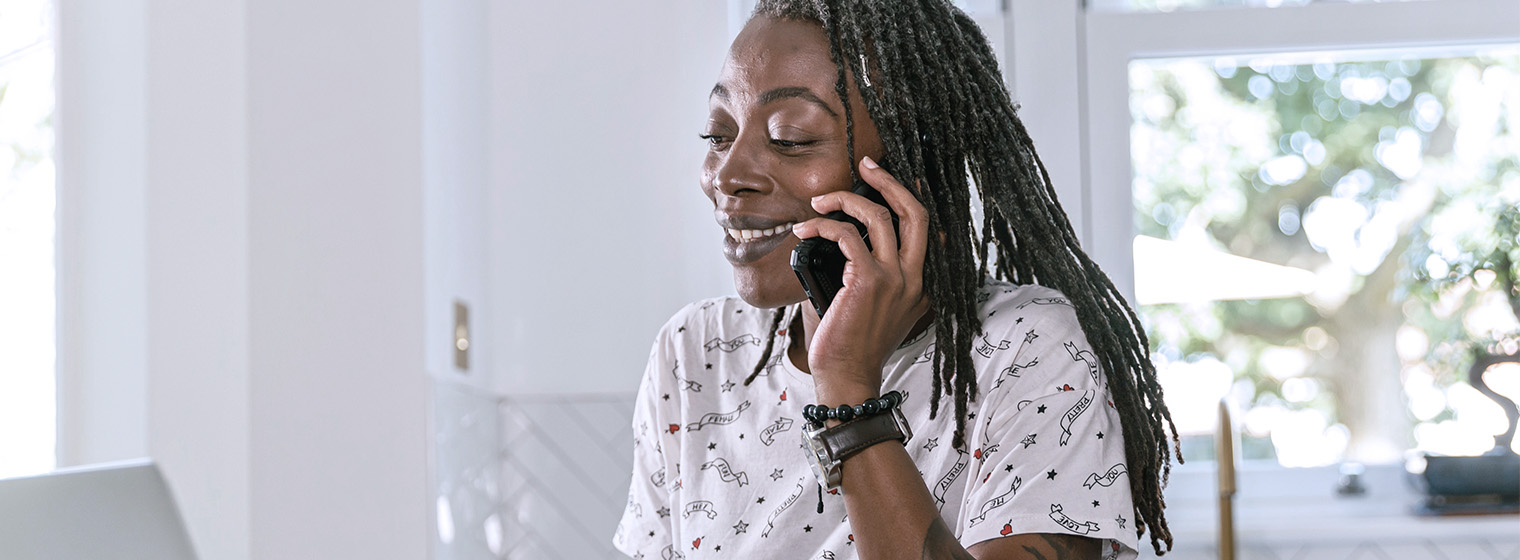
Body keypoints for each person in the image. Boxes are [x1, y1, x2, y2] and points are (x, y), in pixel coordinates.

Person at [614, 1, 1180, 558]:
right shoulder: (695, 352)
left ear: (913, 167)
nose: (729, 175)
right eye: (718, 134)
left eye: (790, 137)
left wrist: (847, 388)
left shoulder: (1029, 348)